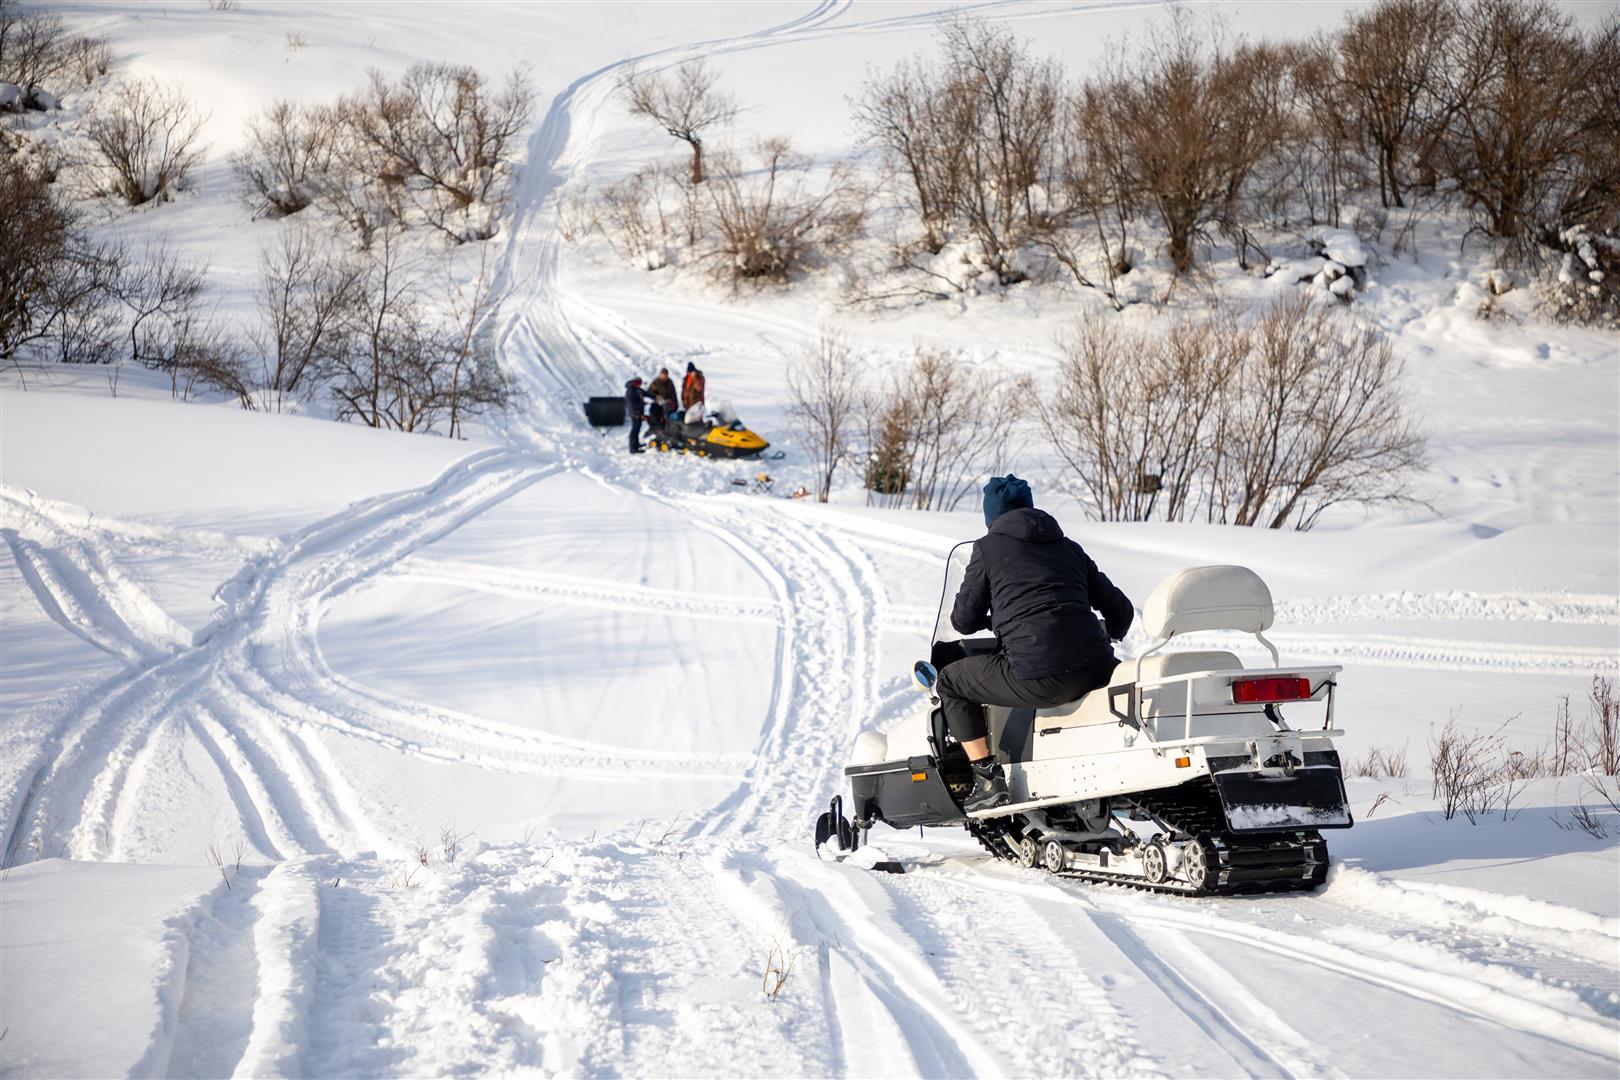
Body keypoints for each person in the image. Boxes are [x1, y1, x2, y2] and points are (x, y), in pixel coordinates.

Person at [937, 475, 1133, 812]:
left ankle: (986, 780)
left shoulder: (987, 549)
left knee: (951, 682)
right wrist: (1110, 632)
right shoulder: (1069, 548)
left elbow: (964, 621)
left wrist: (994, 617)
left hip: (1041, 677)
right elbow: (1122, 612)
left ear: (991, 516)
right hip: (1099, 670)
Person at [624, 377, 647, 454]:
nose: (639, 385)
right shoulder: (631, 390)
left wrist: (655, 397)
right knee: (634, 430)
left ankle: (636, 444)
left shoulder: (637, 389)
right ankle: (633, 448)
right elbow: (632, 404)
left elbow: (645, 393)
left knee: (637, 429)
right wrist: (642, 404)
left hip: (638, 412)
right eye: (638, 384)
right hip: (635, 413)